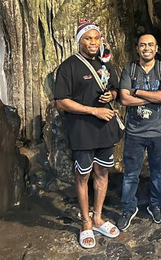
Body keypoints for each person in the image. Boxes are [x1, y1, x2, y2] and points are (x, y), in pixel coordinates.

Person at [54, 19, 122, 249]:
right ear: (79, 41)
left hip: (105, 130)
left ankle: (98, 217)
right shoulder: (69, 66)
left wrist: (110, 96)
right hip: (82, 131)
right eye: (87, 38)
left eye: (96, 38)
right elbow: (61, 101)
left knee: (102, 173)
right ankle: (85, 222)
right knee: (82, 175)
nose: (93, 42)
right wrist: (93, 110)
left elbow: (114, 88)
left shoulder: (105, 65)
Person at [116, 33, 161, 230]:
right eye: (142, 45)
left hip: (158, 131)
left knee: (158, 172)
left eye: (150, 45)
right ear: (137, 49)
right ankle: (128, 208)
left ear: (156, 48)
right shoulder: (129, 70)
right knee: (131, 174)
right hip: (134, 132)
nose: (146, 48)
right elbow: (124, 99)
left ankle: (155, 205)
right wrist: (153, 97)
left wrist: (138, 92)